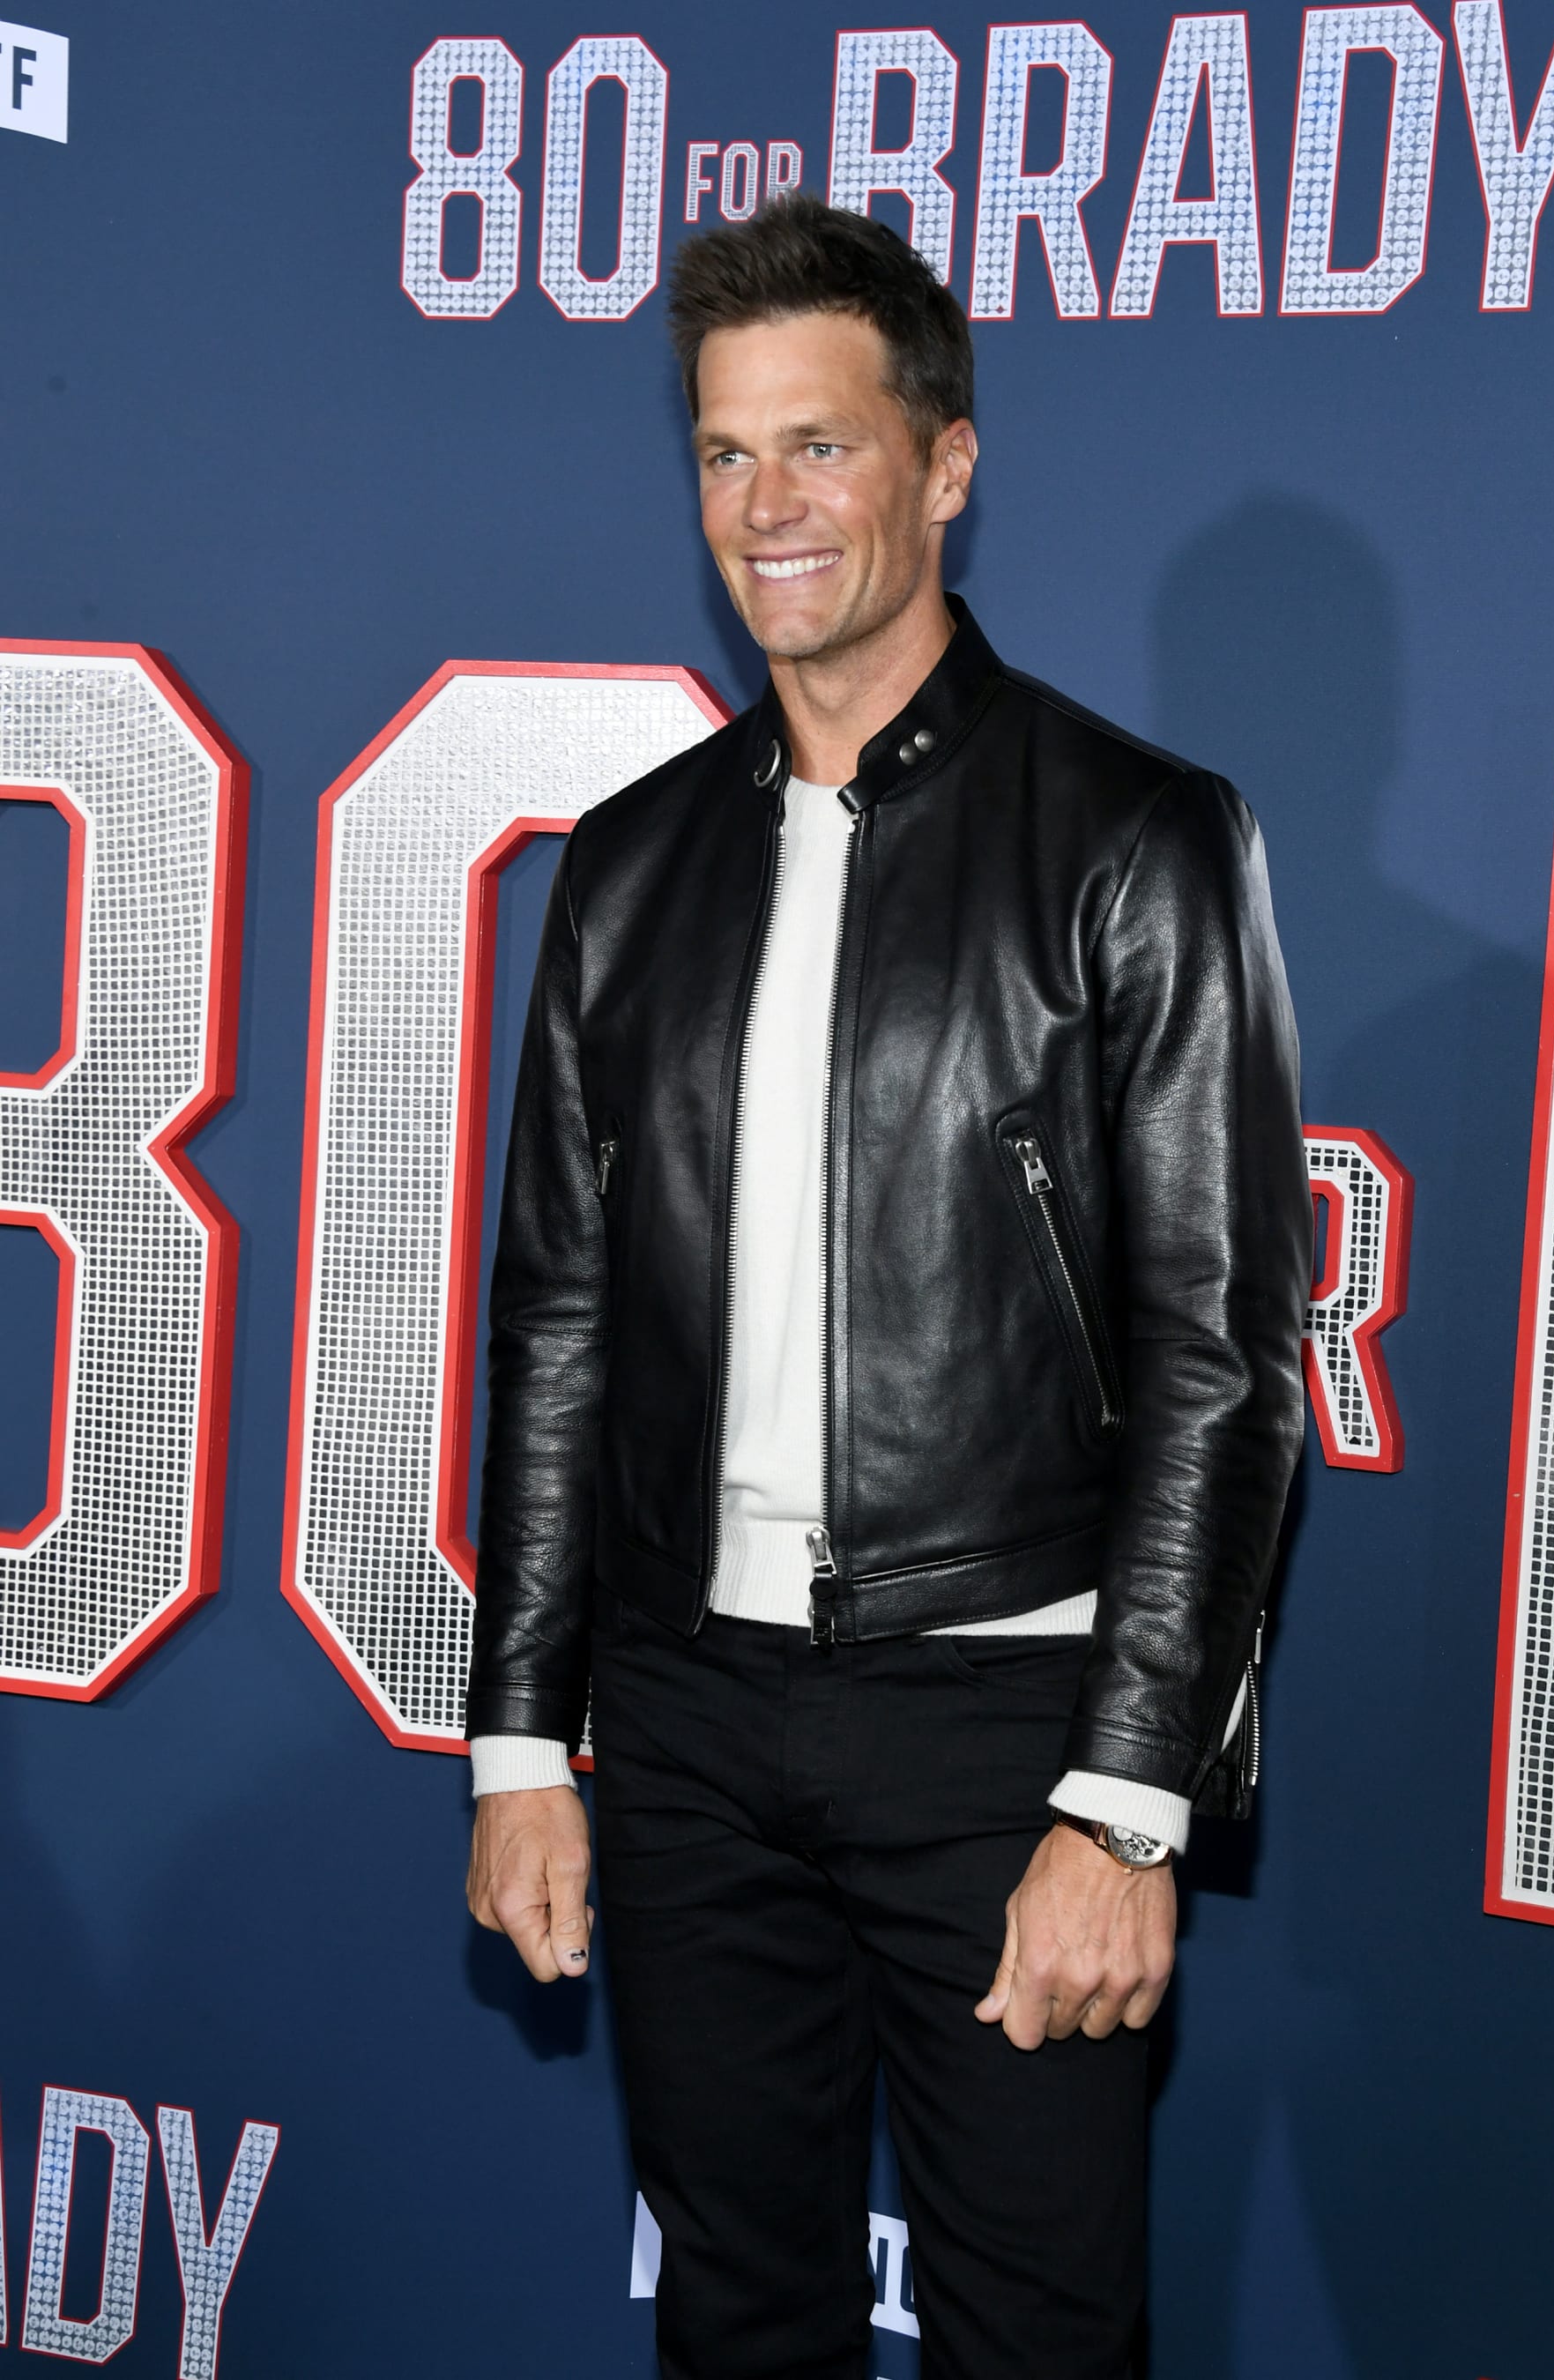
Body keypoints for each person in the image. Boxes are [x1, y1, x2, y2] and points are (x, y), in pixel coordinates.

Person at [465, 192, 1311, 2379]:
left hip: (1003, 1728)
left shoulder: (1135, 840)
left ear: (945, 463)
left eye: (820, 447)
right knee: (743, 2321)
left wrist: (1124, 1800)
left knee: (1038, 2335)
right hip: (682, 1727)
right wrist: (522, 1744)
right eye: (727, 455)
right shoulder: (631, 868)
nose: (769, 509)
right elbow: (555, 1328)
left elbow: (1221, 1367)